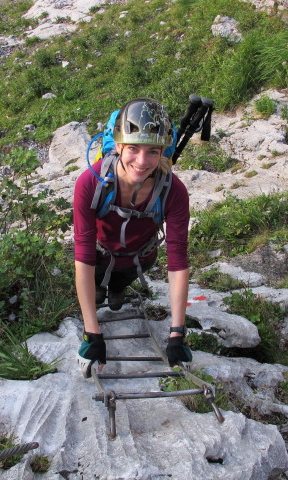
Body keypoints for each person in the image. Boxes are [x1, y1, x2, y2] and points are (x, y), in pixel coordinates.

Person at [73, 98, 193, 378]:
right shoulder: (90, 183)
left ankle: (116, 289)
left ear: (164, 151)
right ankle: (103, 291)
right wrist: (92, 333)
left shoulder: (173, 191)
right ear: (118, 146)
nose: (142, 161)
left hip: (139, 259)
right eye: (133, 149)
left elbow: (177, 259)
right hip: (99, 258)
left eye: (152, 151)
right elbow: (83, 253)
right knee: (97, 283)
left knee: (116, 293)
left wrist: (177, 333)